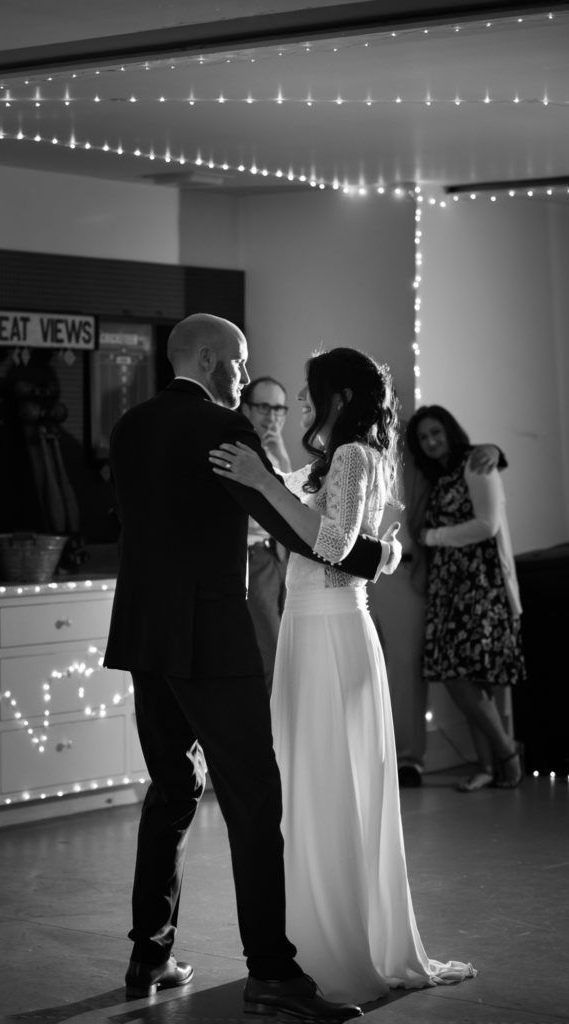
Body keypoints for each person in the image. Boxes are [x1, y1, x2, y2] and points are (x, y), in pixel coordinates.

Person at [104, 314, 401, 1021]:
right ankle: (273, 972)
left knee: (172, 789)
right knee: (253, 801)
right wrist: (379, 556)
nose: (245, 376)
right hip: (209, 639)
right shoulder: (220, 430)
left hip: (144, 634)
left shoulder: (130, 427)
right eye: (237, 364)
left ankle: (149, 954)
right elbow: (302, 534)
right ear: (209, 361)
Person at [210, 347, 476, 1005]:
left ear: (337, 398)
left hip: (333, 632)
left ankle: (342, 946)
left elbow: (329, 544)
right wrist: (268, 472)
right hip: (304, 629)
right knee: (306, 786)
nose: (300, 404)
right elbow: (308, 527)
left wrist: (271, 485)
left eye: (308, 393)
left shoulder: (357, 456)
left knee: (335, 784)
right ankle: (307, 937)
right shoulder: (323, 463)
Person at [405, 405, 525, 793]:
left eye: (436, 432)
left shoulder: (477, 463)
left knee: (465, 678)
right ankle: (489, 766)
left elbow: (487, 525)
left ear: (450, 431)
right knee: (468, 680)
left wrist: (432, 538)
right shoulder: (436, 478)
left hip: (478, 585)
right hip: (448, 587)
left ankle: (507, 753)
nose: (430, 442)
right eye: (423, 438)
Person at [375, 435, 505, 790]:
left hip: (409, 570)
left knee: (405, 665)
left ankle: (407, 760)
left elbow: (455, 456)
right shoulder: (336, 440)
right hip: (350, 568)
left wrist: (494, 450)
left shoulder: (412, 448)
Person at [240, 376, 292, 695]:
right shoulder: (240, 451)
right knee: (270, 657)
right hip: (252, 558)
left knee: (284, 654)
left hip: (280, 558)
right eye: (264, 406)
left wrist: (283, 460)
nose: (272, 416)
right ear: (246, 408)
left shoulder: (275, 453)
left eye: (279, 408)